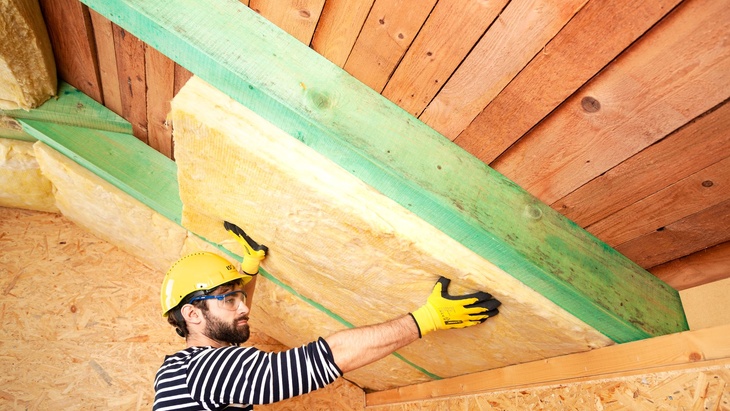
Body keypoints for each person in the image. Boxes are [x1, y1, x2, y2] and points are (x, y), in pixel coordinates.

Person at [154, 222, 500, 410]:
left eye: (240, 298)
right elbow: (315, 363)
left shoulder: (182, 370)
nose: (244, 307)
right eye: (231, 299)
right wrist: (426, 320)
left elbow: (224, 323)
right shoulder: (206, 369)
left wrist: (247, 272)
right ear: (191, 314)